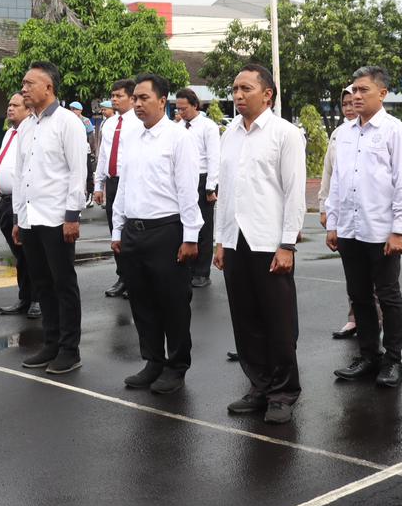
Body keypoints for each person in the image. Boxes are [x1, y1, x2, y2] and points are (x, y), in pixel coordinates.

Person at [214, 64, 307, 424]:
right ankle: (259, 385)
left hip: (269, 240)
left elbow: (294, 192)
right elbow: (225, 192)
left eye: (246, 89)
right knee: (246, 319)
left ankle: (283, 392)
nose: (237, 95)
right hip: (236, 240)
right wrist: (221, 240)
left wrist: (287, 244)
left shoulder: (285, 134)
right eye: (235, 89)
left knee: (278, 322)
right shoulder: (230, 133)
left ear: (267, 94)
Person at [111, 73, 203, 395]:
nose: (137, 104)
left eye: (143, 98)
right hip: (134, 232)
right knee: (142, 302)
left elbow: (187, 189)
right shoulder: (132, 137)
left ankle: (176, 366)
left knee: (173, 303)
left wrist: (190, 237)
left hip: (166, 230)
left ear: (162, 101)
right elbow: (124, 186)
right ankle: (153, 361)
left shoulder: (178, 138)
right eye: (134, 98)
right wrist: (117, 228)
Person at [324, 66, 402, 388]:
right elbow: (338, 181)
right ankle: (368, 355)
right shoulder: (345, 133)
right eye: (354, 90)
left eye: (364, 90)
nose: (356, 96)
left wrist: (399, 230)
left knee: (388, 296)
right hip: (350, 230)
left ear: (383, 93)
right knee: (359, 295)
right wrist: (333, 223)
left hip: (381, 230)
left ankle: (393, 359)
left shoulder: (395, 131)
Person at [13, 61, 89, 374]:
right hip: (31, 217)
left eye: (30, 83)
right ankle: (51, 342)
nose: (24, 89)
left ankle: (70, 349)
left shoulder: (67, 123)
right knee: (42, 284)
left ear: (49, 87)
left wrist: (72, 216)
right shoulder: (26, 126)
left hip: (57, 217)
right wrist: (18, 218)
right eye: (23, 84)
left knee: (63, 284)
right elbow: (21, 175)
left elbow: (77, 172)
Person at [320, 88, 361, 340]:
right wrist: (324, 207)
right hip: (343, 214)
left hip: (369, 217)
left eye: (352, 102)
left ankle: (376, 322)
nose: (349, 108)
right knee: (353, 276)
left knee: (375, 280)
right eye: (344, 103)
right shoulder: (339, 134)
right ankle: (355, 319)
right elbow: (329, 173)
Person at [0, 93, 38, 318]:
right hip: (6, 201)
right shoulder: (10, 132)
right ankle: (25, 297)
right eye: (9, 104)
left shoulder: (31, 133)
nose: (10, 108)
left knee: (32, 253)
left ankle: (38, 299)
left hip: (24, 201)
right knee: (20, 255)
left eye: (15, 105)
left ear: (29, 110)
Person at [175, 88, 220, 289]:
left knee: (203, 227)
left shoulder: (208, 127)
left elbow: (214, 158)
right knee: (184, 224)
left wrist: (211, 187)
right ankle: (187, 269)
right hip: (183, 179)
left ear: (195, 105)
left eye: (184, 108)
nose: (180, 112)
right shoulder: (177, 127)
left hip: (202, 180)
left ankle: (202, 272)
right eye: (178, 109)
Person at [95, 78, 136, 298]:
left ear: (132, 98)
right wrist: (98, 185)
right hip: (112, 182)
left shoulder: (139, 122)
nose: (114, 99)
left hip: (131, 181)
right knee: (116, 230)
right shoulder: (109, 124)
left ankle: (135, 279)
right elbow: (103, 155)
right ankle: (123, 276)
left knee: (131, 230)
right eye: (112, 96)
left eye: (119, 96)